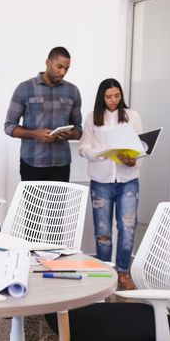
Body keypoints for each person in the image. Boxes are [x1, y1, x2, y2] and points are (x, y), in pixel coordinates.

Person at [78, 78, 141, 290]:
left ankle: (122, 272)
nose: (113, 100)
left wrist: (133, 159)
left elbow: (140, 146)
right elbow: (83, 147)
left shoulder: (132, 116)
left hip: (127, 180)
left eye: (117, 96)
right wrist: (100, 153)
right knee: (103, 231)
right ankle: (104, 273)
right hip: (101, 181)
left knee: (128, 227)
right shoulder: (92, 118)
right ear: (101, 97)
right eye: (108, 97)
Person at [4, 46, 82, 182]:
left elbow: (78, 130)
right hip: (31, 163)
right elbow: (9, 127)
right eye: (59, 66)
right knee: (32, 204)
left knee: (58, 205)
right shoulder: (24, 88)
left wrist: (69, 134)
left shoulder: (72, 91)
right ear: (47, 62)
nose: (63, 72)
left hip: (61, 165)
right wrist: (34, 134)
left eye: (66, 68)